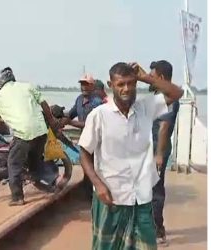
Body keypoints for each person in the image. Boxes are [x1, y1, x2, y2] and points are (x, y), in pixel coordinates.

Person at [78, 62, 183, 249]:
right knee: (106, 246)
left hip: (141, 197)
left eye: (131, 83)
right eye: (120, 84)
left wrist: (145, 77)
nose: (126, 89)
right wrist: (98, 184)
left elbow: (176, 94)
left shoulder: (146, 107)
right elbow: (84, 152)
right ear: (111, 86)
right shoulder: (99, 115)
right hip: (111, 197)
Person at [0, 67, 64, 206]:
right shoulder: (27, 86)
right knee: (34, 161)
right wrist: (51, 121)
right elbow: (44, 103)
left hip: (24, 133)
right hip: (41, 132)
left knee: (13, 163)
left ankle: (17, 197)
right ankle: (48, 183)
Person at [149, 60, 180, 246]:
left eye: (152, 76)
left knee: (155, 190)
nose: (150, 79)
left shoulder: (168, 97)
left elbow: (163, 127)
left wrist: (159, 154)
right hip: (150, 148)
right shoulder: (159, 94)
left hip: (157, 150)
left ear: (160, 77)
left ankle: (158, 231)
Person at [64, 74, 104, 200]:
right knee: (86, 166)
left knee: (94, 167)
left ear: (92, 86)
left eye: (87, 84)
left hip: (97, 140)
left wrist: (69, 123)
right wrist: (60, 118)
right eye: (82, 84)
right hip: (85, 139)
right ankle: (88, 195)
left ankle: (94, 195)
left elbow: (89, 124)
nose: (84, 87)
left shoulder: (97, 103)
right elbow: (71, 114)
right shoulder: (79, 99)